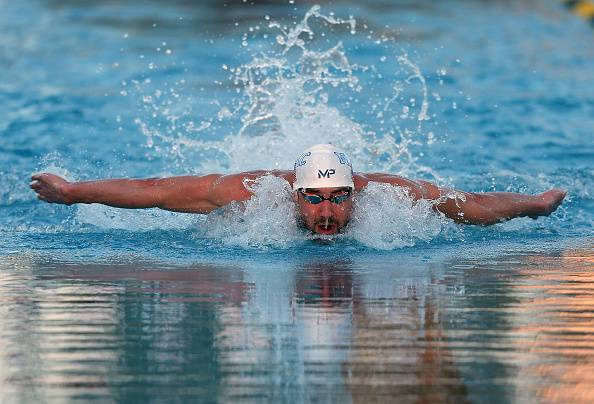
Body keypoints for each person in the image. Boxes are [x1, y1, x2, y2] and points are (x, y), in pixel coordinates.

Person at [30, 144, 566, 235]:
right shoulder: (247, 193)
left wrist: (533, 207)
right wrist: (73, 191)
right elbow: (155, 188)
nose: (327, 212)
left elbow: (470, 205)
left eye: (338, 198)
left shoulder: (393, 196)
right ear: (294, 194)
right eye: (314, 198)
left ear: (356, 190)